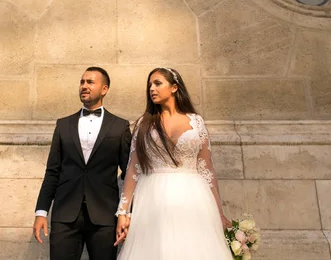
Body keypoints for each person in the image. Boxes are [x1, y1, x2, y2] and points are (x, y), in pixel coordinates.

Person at [114, 67, 233, 259]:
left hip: (194, 200)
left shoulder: (196, 122)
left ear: (174, 87)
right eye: (150, 85)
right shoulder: (144, 124)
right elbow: (133, 170)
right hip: (152, 201)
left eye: (158, 83)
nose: (151, 88)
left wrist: (219, 212)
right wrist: (123, 212)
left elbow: (207, 170)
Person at [34, 66, 132, 260]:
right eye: (82, 82)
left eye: (90, 82)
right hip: (65, 215)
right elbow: (52, 171)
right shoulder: (63, 125)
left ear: (104, 89)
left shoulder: (120, 127)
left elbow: (129, 174)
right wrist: (41, 211)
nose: (84, 86)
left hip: (105, 215)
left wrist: (126, 213)